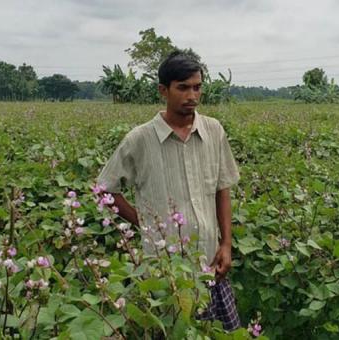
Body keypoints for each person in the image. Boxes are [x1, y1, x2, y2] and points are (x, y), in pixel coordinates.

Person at [97, 51, 241, 331]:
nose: (192, 95)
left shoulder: (214, 131)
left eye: (197, 87)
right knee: (173, 330)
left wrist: (226, 243)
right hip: (166, 273)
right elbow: (104, 189)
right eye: (183, 87)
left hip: (210, 263)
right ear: (163, 90)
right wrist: (144, 222)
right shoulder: (140, 139)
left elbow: (223, 188)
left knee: (223, 334)